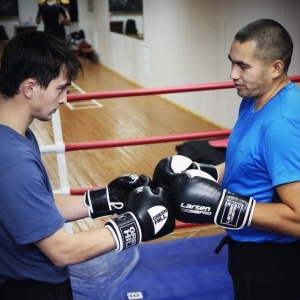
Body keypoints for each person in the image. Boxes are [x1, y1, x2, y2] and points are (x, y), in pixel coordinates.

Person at [0, 31, 175, 299]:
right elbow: (62, 251)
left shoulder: (17, 134)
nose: (64, 99)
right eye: (60, 89)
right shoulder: (13, 160)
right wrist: (134, 226)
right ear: (30, 87)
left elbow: (38, 205)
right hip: (30, 288)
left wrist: (105, 199)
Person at [152, 19, 300, 300]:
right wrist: (201, 173)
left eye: (243, 66)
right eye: (232, 62)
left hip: (272, 260)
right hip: (245, 248)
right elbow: (244, 162)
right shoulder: (253, 98)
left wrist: (225, 205)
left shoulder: (281, 124)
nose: (232, 74)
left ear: (276, 68)